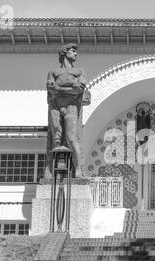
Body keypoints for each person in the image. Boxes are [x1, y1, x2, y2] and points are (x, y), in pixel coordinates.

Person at [45, 43, 89, 178]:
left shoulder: (79, 71)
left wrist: (59, 88)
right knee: (56, 138)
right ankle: (52, 171)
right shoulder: (53, 72)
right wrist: (70, 87)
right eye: (72, 51)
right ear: (65, 53)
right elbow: (51, 89)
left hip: (71, 106)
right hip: (56, 106)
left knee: (71, 137)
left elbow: (79, 90)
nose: (75, 53)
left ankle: (78, 169)